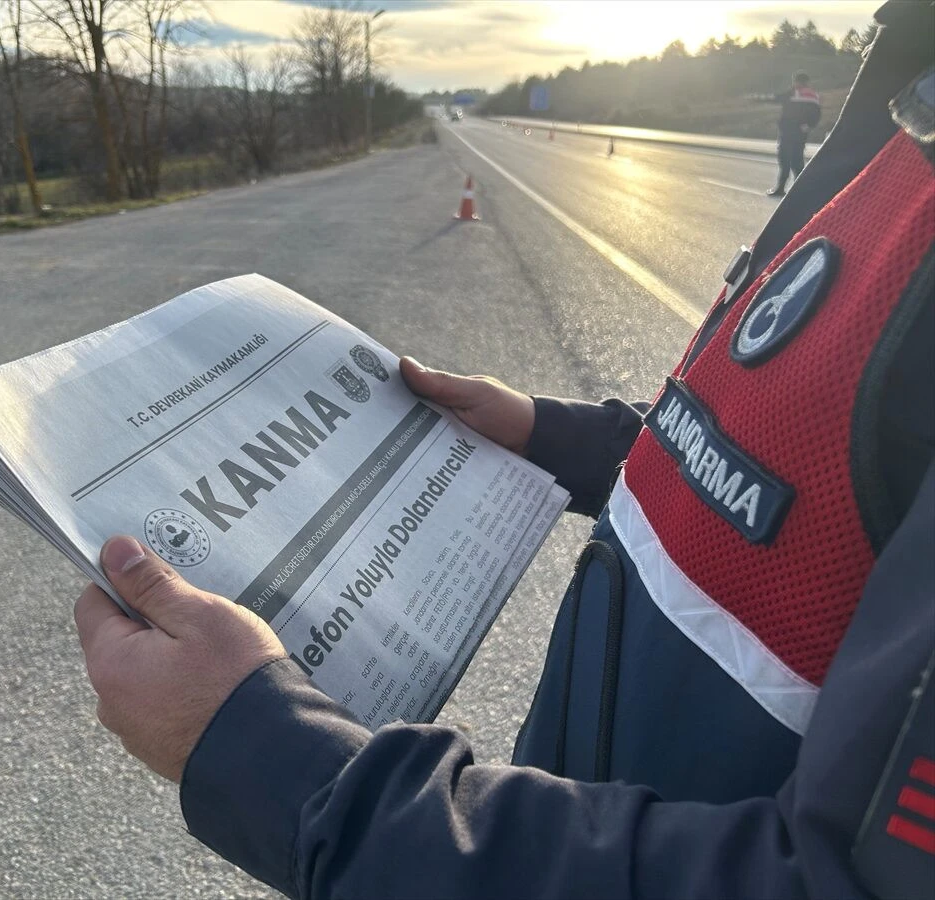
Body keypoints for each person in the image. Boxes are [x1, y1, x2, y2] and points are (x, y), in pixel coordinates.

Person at [73, 2, 934, 897]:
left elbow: (848, 882)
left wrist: (270, 759)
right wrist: (552, 436)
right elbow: (816, 468)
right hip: (594, 803)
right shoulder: (905, 111)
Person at [765, 71, 822, 197]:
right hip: (801, 132)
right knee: (797, 159)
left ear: (796, 82)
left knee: (784, 159)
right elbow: (817, 114)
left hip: (788, 131)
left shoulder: (792, 93)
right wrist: (808, 126)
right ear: (808, 82)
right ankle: (800, 189)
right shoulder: (814, 96)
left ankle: (780, 188)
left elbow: (776, 98)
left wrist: (756, 98)